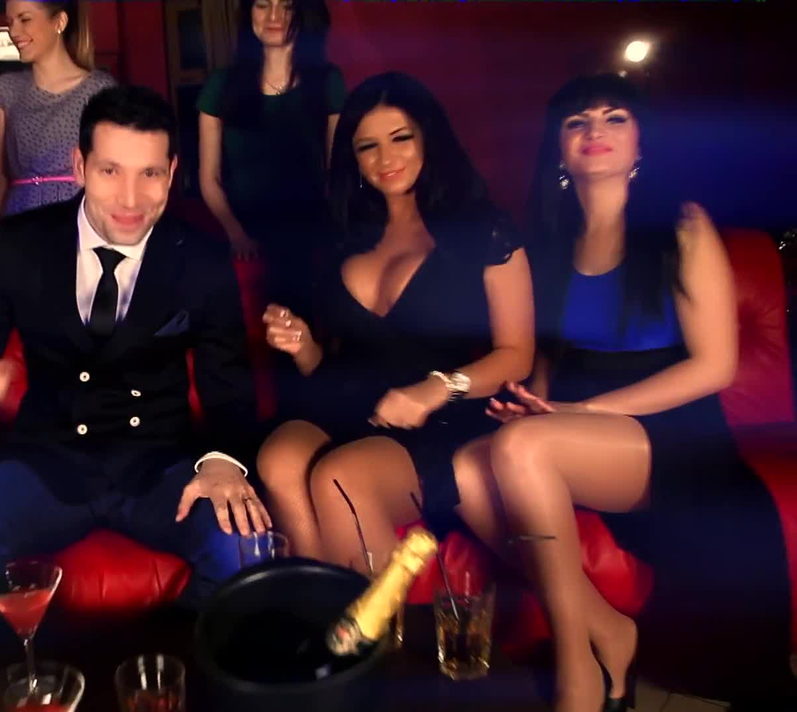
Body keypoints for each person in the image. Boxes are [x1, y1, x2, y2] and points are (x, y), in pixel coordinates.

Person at [484, 73, 795, 712]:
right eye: (577, 121)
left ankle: (579, 674)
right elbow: (550, 359)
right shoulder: (550, 242)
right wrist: (531, 404)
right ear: (559, 150)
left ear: (641, 141)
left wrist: (582, 411)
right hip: (586, 428)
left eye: (614, 117)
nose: (595, 131)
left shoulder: (682, 227)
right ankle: (608, 630)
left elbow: (715, 367)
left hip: (677, 437)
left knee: (520, 451)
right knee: (470, 469)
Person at [0, 85, 268, 627]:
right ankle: (26, 664)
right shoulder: (20, 243)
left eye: (150, 174)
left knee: (245, 550)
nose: (130, 198)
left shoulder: (199, 256)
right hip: (47, 463)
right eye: (110, 171)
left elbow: (228, 379)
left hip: (159, 466)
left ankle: (176, 661)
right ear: (79, 166)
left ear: (172, 173)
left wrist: (221, 460)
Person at [256, 73, 534, 574]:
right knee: (278, 459)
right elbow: (335, 364)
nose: (386, 159)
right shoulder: (343, 235)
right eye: (368, 147)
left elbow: (517, 355)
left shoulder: (482, 229)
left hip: (432, 418)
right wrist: (303, 346)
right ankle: (318, 607)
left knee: (339, 476)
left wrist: (438, 388)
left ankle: (373, 622)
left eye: (400, 138)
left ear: (428, 138)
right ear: (354, 160)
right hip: (346, 406)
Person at [197, 0, 343, 317]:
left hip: (309, 228)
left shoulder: (327, 81)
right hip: (244, 228)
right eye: (263, 5)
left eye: (286, 6)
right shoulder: (221, 84)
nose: (273, 16)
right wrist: (236, 234)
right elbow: (209, 179)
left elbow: (337, 171)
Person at [0, 0, 116, 227]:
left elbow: (113, 168)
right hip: (20, 221)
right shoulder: (5, 91)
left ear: (60, 22)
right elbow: (0, 175)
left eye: (25, 19)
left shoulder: (99, 90)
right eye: (9, 22)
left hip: (79, 219)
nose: (14, 32)